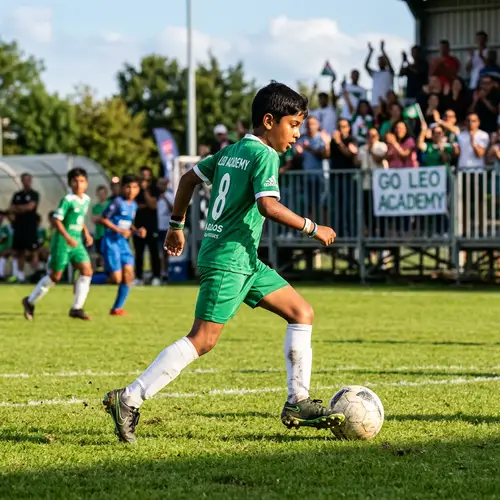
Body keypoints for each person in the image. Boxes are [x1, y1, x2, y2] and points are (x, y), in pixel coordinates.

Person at [103, 81, 343, 443]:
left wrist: (176, 225)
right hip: (229, 259)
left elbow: (187, 179)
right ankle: (129, 399)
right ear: (268, 120)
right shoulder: (265, 155)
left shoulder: (232, 151)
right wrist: (313, 227)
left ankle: (298, 401)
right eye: (293, 125)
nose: (296, 134)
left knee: (301, 312)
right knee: (202, 339)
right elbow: (268, 205)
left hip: (245, 260)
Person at [22, 168, 93, 321]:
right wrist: (67, 237)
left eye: (81, 181)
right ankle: (29, 301)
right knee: (55, 277)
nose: (78, 184)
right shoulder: (67, 200)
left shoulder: (86, 199)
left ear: (86, 183)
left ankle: (77, 308)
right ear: (70, 183)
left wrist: (86, 233)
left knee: (87, 271)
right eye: (75, 181)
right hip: (62, 241)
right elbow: (57, 220)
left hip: (76, 241)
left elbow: (80, 218)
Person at [100, 174, 147, 316]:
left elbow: (127, 222)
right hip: (111, 242)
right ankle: (90, 277)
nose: (131, 190)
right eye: (127, 187)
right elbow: (104, 219)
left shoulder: (133, 205)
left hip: (123, 244)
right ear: (122, 188)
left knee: (128, 275)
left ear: (138, 189)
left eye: (134, 187)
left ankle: (117, 308)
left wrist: (136, 230)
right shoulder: (117, 202)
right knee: (116, 279)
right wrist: (119, 231)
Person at [8, 173, 40, 283]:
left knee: (33, 251)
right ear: (22, 181)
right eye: (25, 180)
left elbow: (30, 207)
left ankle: (37, 274)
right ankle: (20, 275)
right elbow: (11, 209)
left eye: (29, 180)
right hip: (19, 227)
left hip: (30, 227)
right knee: (19, 251)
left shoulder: (34, 194)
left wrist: (19, 208)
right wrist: (22, 208)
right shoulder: (17, 195)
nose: (28, 182)